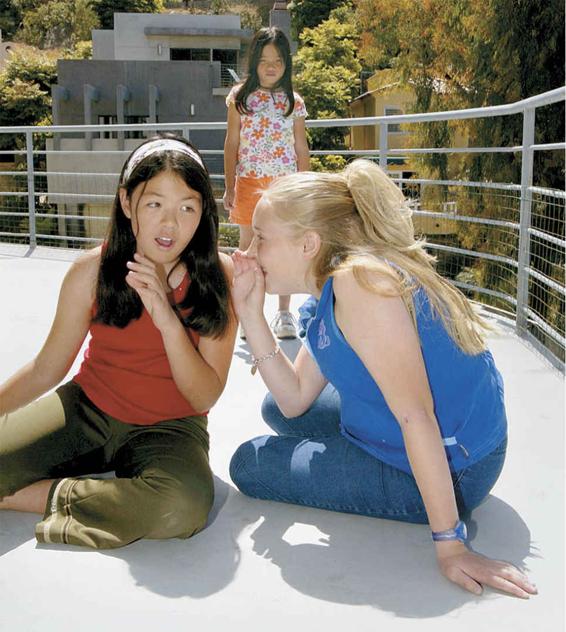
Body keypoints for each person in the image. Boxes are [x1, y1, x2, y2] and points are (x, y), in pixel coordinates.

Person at [229, 159, 538, 598]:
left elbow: (416, 415)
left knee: (252, 462)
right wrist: (249, 313)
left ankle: (375, 468)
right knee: (273, 408)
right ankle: (353, 451)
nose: (248, 252)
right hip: (432, 434)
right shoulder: (331, 285)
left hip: (458, 467)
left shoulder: (361, 284)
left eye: (261, 239)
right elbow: (294, 400)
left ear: (308, 245)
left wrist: (452, 547)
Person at [0, 134, 237, 549]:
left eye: (187, 207)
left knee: (182, 506)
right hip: (89, 408)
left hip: (171, 427)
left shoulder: (220, 275)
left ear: (203, 211)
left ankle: (48, 497)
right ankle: (95, 495)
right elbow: (45, 370)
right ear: (127, 203)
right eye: (154, 203)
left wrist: (167, 318)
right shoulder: (90, 271)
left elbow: (203, 395)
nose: (170, 224)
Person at [223, 26, 310, 340]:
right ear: (253, 62)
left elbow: (301, 147)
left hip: (284, 185)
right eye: (264, 60)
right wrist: (229, 186)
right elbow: (231, 144)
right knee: (249, 248)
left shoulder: (293, 101)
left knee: (284, 246)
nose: (271, 66)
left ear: (287, 63)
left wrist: (304, 186)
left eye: (278, 60)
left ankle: (284, 313)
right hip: (248, 183)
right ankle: (249, 312)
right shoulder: (240, 98)